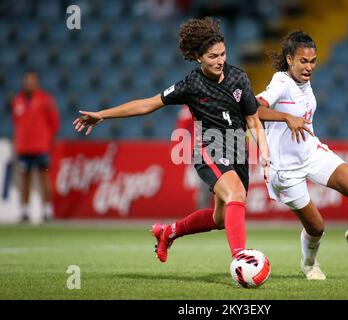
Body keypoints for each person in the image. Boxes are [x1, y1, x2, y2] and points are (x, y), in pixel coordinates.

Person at [73, 17, 270, 263]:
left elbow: (252, 120)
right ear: (199, 57)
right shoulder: (191, 84)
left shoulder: (239, 78)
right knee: (236, 194)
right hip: (210, 147)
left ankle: (168, 232)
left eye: (223, 54)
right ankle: (241, 260)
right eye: (213, 56)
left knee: (220, 219)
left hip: (238, 149)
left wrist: (264, 151)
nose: (220, 61)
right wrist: (102, 114)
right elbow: (147, 104)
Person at [256, 31, 348, 280]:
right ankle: (309, 264)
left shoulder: (304, 82)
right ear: (289, 59)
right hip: (285, 169)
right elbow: (253, 107)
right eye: (303, 61)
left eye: (313, 61)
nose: (309, 67)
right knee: (316, 227)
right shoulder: (281, 82)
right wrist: (286, 117)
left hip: (311, 152)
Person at [11, 69, 60, 223]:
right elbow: (16, 123)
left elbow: (54, 123)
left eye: (31, 81)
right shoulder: (17, 100)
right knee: (25, 179)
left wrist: (49, 141)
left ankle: (47, 211)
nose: (28, 84)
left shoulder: (45, 100)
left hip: (41, 146)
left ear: (36, 83)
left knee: (44, 177)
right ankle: (25, 211)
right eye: (26, 81)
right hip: (24, 147)